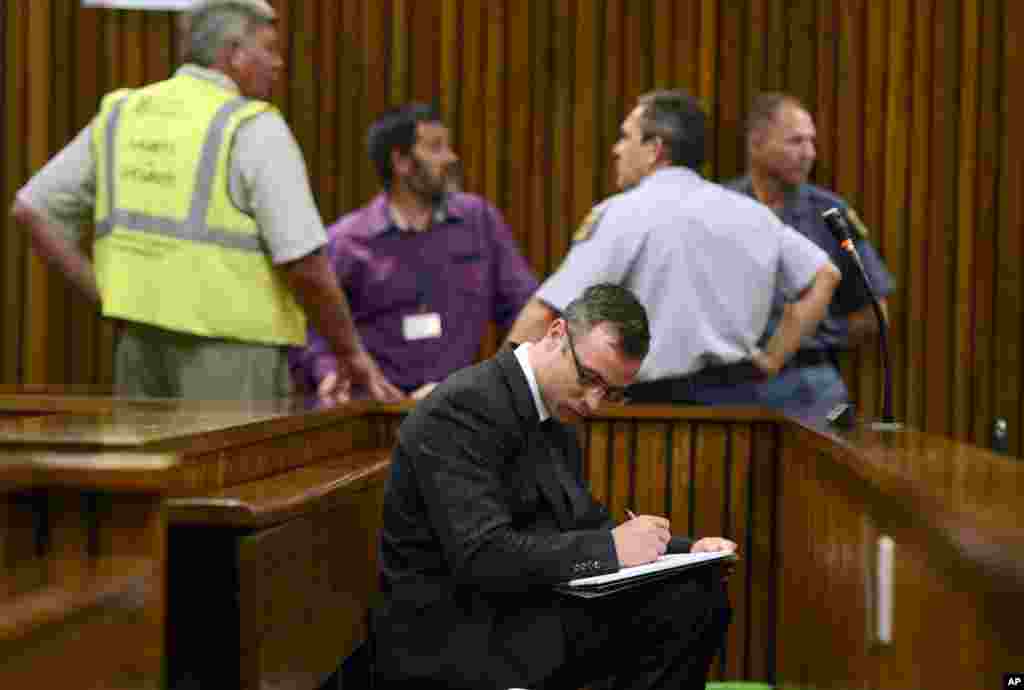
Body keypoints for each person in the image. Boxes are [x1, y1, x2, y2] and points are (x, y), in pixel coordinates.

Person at [9, 0, 400, 402]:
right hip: (234, 359)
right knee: (236, 467)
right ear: (233, 54)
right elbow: (305, 264)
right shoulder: (253, 127)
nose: (279, 63)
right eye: (269, 48)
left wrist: (107, 297)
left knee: (143, 466)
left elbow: (32, 210)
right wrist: (350, 353)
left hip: (138, 351)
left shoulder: (122, 113)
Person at [373, 283, 736, 690]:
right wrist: (611, 549)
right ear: (556, 334)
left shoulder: (554, 408)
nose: (594, 403)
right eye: (589, 378)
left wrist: (686, 550)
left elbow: (584, 522)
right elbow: (482, 555)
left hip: (517, 611)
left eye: (612, 393)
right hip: (456, 632)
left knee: (695, 591)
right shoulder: (464, 407)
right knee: (685, 605)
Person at [506, 90, 841, 405]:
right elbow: (824, 274)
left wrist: (499, 387)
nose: (617, 149)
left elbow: (546, 311)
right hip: (741, 407)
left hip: (653, 413)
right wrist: (773, 359)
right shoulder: (753, 214)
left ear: (655, 149)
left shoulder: (626, 212)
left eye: (626, 137)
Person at [290, 103, 538, 401]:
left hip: (456, 409)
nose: (451, 157)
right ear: (401, 161)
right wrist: (329, 371)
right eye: (436, 148)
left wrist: (490, 385)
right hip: (373, 410)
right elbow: (311, 329)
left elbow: (524, 307)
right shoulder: (347, 240)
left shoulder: (479, 222)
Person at [726, 92, 895, 418]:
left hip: (807, 381)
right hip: (728, 380)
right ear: (756, 143)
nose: (809, 154)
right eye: (795, 142)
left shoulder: (829, 215)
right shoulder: (718, 206)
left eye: (811, 143)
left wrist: (817, 334)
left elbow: (876, 311)